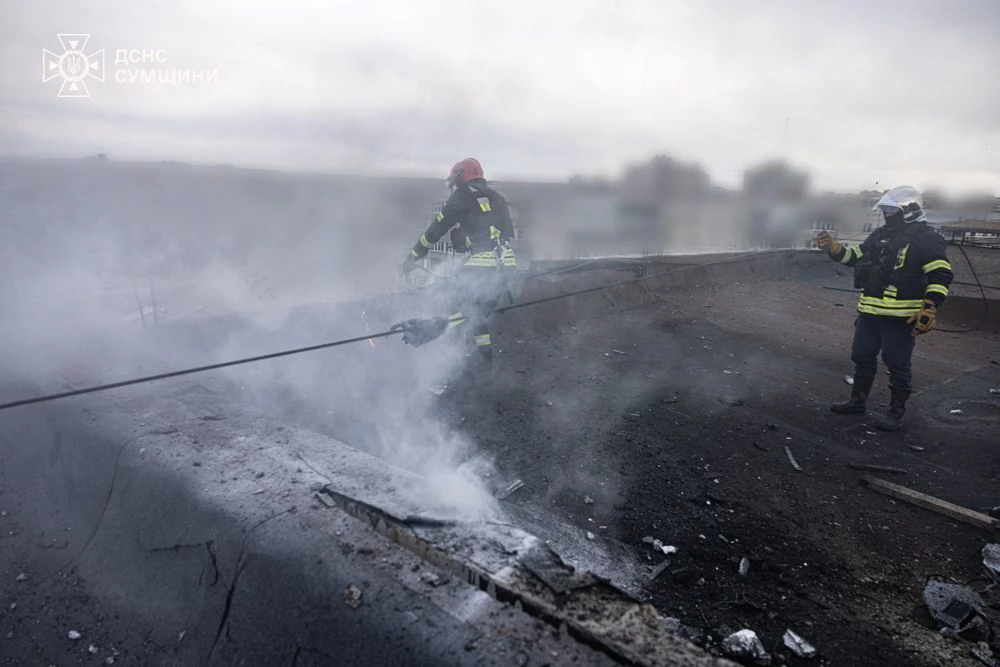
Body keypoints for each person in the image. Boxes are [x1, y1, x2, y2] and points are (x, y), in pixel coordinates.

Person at [817, 185, 954, 431]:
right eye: (884, 210)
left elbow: (940, 273)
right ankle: (857, 402)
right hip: (869, 313)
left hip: (900, 318)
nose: (886, 215)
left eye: (891, 211)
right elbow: (855, 257)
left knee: (897, 364)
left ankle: (895, 414)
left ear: (909, 211)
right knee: (862, 356)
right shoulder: (880, 235)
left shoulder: (926, 238)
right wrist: (835, 250)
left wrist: (930, 306)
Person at [402, 158, 516, 364]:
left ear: (461, 177)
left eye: (455, 181)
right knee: (477, 314)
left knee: (450, 301)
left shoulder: (462, 196)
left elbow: (435, 231)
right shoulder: (497, 198)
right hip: (506, 264)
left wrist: (413, 256)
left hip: (482, 264)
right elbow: (507, 232)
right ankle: (485, 361)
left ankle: (433, 335)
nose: (454, 185)